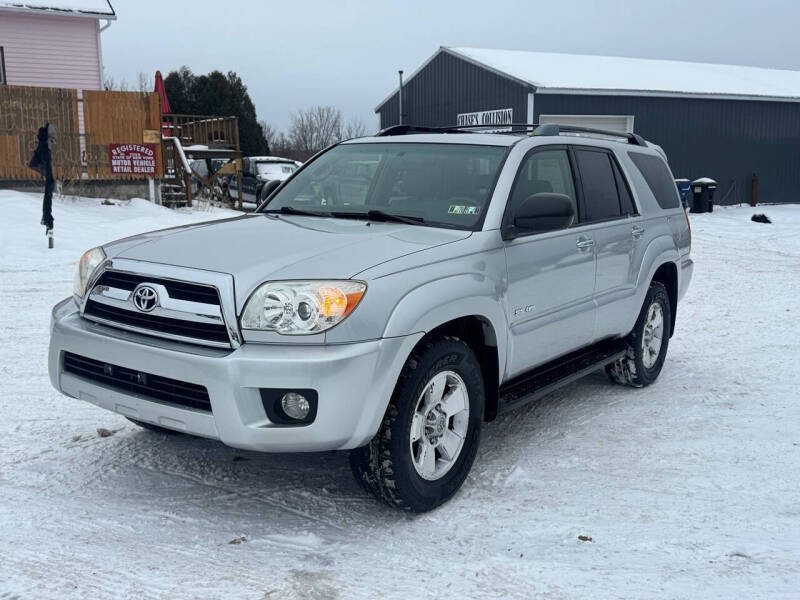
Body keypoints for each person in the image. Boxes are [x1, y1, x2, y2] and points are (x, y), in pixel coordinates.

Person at [29, 123, 56, 242]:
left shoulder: (44, 146)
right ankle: (48, 220)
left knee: (48, 194)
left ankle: (48, 220)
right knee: (48, 195)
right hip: (48, 185)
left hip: (48, 185)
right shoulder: (45, 148)